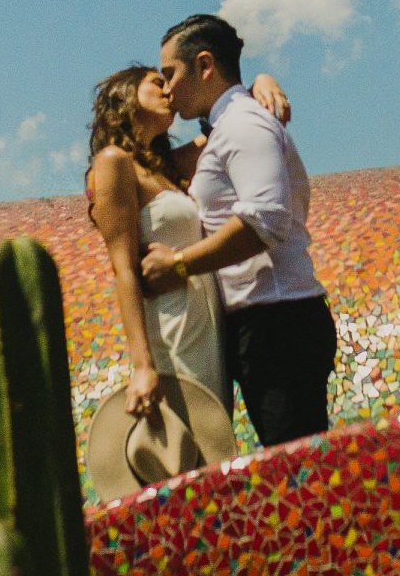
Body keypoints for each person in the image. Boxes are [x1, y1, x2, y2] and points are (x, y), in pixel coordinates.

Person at [141, 14, 337, 448]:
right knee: (290, 459)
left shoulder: (244, 125)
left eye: (170, 74)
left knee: (296, 464)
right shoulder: (227, 127)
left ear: (205, 65)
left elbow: (264, 220)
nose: (168, 89)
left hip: (277, 319)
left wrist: (178, 265)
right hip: (262, 321)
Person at [83, 62, 292, 426]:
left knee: (215, 433)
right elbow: (123, 268)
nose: (168, 90)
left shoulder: (167, 167)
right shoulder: (114, 163)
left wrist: (261, 80)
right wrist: (142, 365)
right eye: (156, 83)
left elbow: (228, 123)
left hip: (206, 320)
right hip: (170, 323)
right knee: (189, 434)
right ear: (127, 95)